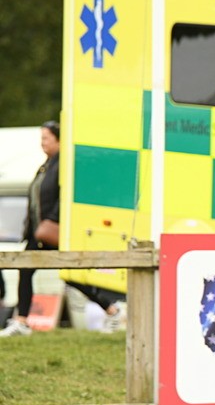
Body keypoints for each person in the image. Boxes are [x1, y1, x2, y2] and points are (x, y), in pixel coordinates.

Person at [0, 121, 126, 337]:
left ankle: (112, 309)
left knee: (68, 274)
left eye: (46, 139)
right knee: (28, 270)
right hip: (37, 233)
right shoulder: (46, 165)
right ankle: (21, 320)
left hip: (51, 231)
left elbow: (64, 198)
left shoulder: (63, 165)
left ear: (58, 140)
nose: (42, 144)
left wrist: (52, 221)